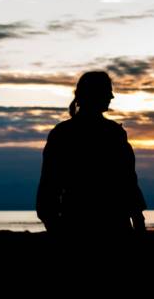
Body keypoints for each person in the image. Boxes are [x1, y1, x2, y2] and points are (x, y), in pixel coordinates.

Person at [36, 71, 147, 239]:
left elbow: (128, 182)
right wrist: (54, 225)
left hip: (109, 225)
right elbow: (49, 186)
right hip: (83, 224)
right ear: (94, 94)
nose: (111, 96)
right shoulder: (68, 134)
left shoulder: (111, 132)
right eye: (107, 91)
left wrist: (138, 222)